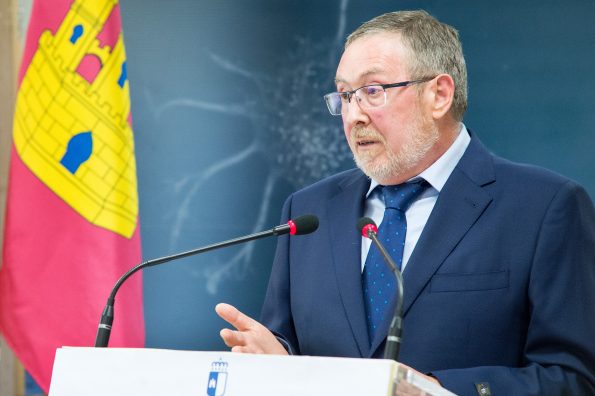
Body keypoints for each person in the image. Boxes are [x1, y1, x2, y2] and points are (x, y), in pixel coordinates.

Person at [216, 10, 595, 395]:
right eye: (345, 95)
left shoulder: (544, 208)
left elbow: (573, 378)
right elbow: (290, 350)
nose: (353, 115)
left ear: (439, 95)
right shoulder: (308, 212)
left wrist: (437, 391)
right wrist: (274, 366)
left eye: (372, 91)